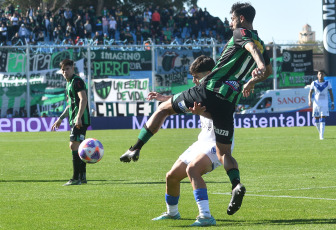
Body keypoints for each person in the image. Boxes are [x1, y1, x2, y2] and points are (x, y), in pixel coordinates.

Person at [120, 2, 272, 216]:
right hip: (228, 102)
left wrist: (260, 65)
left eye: (232, 18)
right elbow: (267, 69)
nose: (230, 23)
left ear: (241, 19)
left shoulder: (242, 33)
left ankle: (135, 147)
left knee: (163, 110)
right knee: (224, 153)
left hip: (210, 90)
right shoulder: (263, 44)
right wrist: (252, 82)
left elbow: (252, 49)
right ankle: (235, 184)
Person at [151, 56, 233, 226]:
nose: (194, 81)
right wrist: (164, 98)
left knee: (193, 169)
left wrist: (200, 113)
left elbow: (219, 116)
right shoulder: (201, 89)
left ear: (209, 74)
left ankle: (205, 216)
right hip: (201, 142)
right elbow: (183, 99)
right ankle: (172, 213)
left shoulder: (220, 91)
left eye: (197, 77)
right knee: (171, 176)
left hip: (217, 144)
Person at [51, 59, 91, 186]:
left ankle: (75, 178)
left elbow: (83, 99)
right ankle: (82, 177)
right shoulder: (69, 83)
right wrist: (60, 119)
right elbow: (70, 105)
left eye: (67, 69)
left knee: (73, 146)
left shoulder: (77, 81)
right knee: (79, 147)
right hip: (76, 118)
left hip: (80, 119)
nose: (65, 72)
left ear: (72, 68)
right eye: (63, 70)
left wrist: (78, 117)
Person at [308, 70, 334, 140]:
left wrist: (332, 103)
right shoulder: (314, 83)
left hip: (324, 103)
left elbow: (331, 93)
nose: (321, 75)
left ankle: (321, 136)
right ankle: (320, 133)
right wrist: (309, 100)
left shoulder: (327, 83)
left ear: (324, 75)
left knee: (322, 118)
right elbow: (310, 92)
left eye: (322, 74)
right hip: (316, 104)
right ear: (317, 75)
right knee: (316, 120)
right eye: (319, 74)